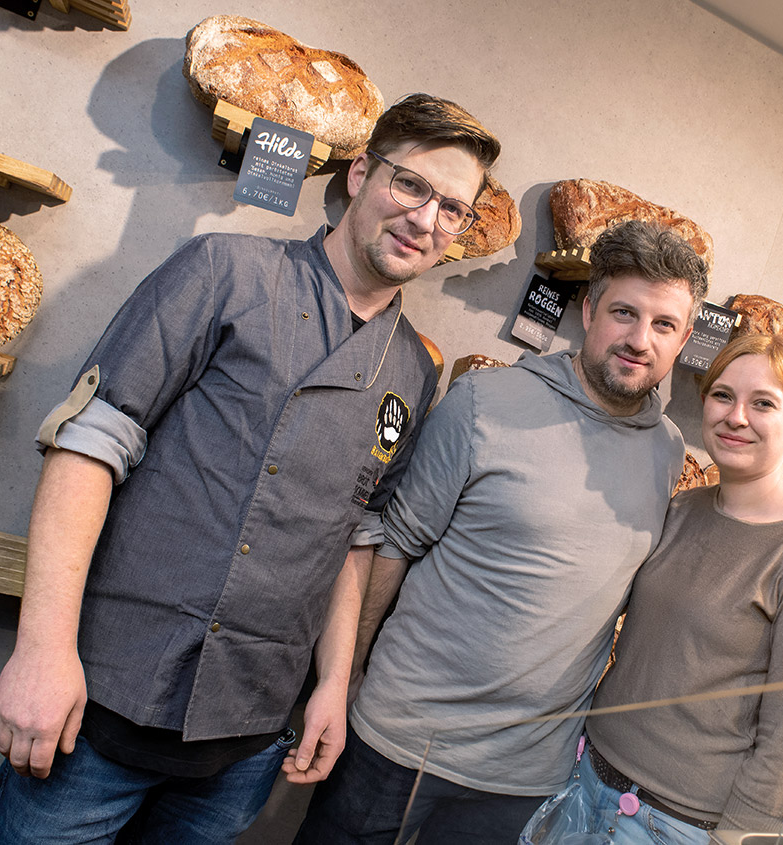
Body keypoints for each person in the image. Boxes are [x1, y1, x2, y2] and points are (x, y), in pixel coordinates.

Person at [0, 93, 501, 844]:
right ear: (360, 175)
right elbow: (87, 447)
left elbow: (357, 537)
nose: (425, 218)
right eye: (411, 185)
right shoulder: (223, 271)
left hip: (246, 743)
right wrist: (42, 650)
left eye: (452, 208)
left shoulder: (415, 373)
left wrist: (333, 683)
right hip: (99, 708)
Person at [294, 219, 710, 844]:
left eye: (664, 325)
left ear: (683, 339)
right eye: (624, 312)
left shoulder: (669, 453)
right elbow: (396, 542)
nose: (640, 340)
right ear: (590, 308)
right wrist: (346, 675)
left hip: (527, 776)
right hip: (403, 742)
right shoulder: (486, 401)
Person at [565, 333, 783, 840]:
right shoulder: (681, 510)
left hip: (673, 824)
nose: (736, 416)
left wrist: (740, 836)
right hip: (583, 774)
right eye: (723, 395)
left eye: (763, 403)